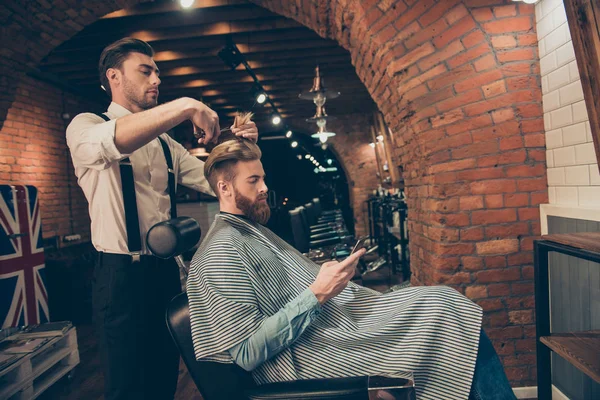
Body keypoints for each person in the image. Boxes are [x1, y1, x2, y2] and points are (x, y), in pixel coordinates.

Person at [186, 139, 517, 400]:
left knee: (442, 303)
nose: (264, 188)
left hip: (326, 331)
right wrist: (317, 292)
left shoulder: (246, 229)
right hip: (307, 358)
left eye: (264, 178)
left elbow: (284, 285)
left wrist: (326, 276)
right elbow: (246, 351)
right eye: (254, 180)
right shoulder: (220, 250)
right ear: (224, 188)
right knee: (444, 309)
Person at [65, 37, 258, 400]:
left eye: (157, 72)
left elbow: (218, 183)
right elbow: (111, 142)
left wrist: (244, 150)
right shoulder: (86, 125)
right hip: (119, 278)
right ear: (114, 77)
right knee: (127, 387)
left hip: (166, 276)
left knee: (163, 381)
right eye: (146, 71)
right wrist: (186, 106)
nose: (157, 79)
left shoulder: (167, 145)